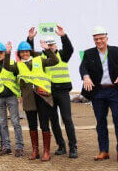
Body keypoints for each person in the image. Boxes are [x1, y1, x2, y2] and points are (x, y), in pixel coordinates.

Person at [80, 26, 118, 164]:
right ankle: (103, 151)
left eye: (101, 38)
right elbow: (83, 67)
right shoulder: (89, 53)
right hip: (98, 91)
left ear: (106, 38)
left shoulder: (116, 51)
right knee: (100, 122)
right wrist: (86, 76)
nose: (99, 41)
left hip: (115, 91)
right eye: (96, 39)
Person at [27, 25, 78, 158]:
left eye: (52, 44)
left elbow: (70, 49)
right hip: (49, 93)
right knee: (54, 120)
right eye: (48, 45)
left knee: (67, 119)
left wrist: (63, 36)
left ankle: (73, 147)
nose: (50, 47)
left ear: (56, 44)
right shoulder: (41, 57)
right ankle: (61, 146)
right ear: (45, 46)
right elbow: (29, 53)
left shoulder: (62, 55)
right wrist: (30, 39)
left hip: (62, 92)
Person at [3, 40, 58, 161]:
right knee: (32, 125)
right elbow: (6, 67)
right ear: (19, 53)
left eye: (27, 51)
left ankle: (46, 152)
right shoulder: (18, 65)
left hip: (42, 97)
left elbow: (55, 61)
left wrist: (47, 49)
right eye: (22, 52)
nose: (25, 54)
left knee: (44, 124)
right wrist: (7, 53)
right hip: (28, 99)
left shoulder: (39, 60)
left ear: (30, 51)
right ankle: (35, 151)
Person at [0, 42, 23, 157]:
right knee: (2, 123)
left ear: (4, 52)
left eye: (0, 52)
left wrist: (20, 94)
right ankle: (6, 147)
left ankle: (19, 147)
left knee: (15, 122)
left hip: (11, 96)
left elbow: (19, 78)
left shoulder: (12, 62)